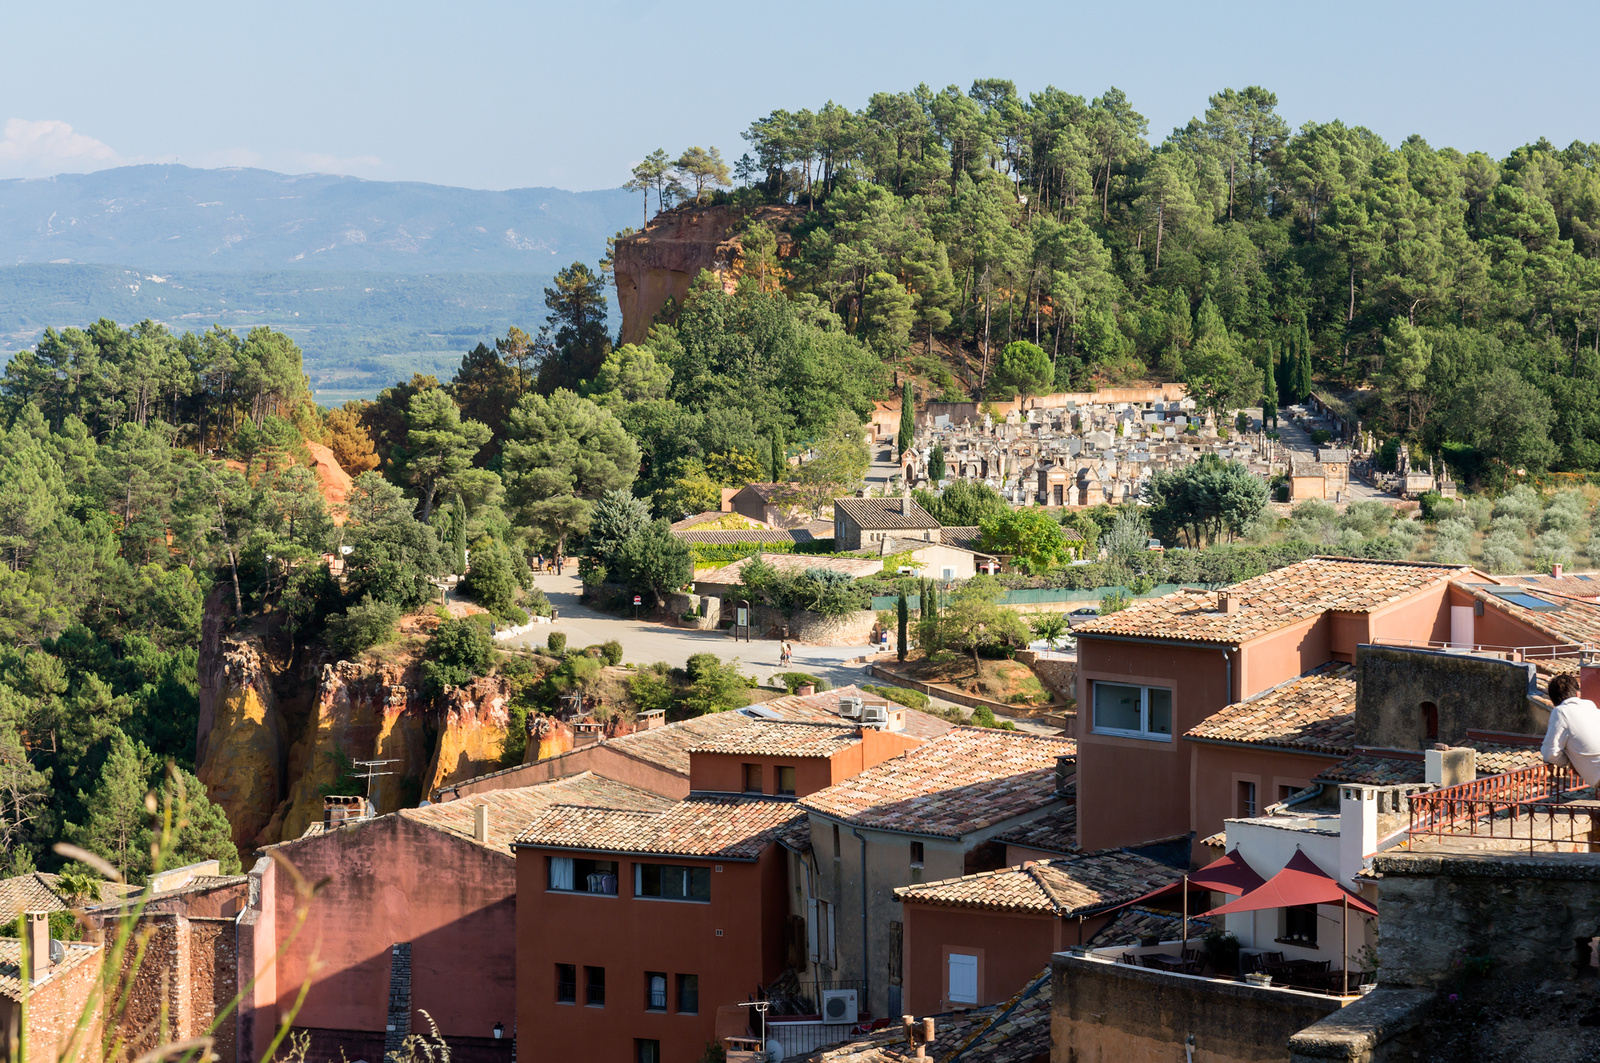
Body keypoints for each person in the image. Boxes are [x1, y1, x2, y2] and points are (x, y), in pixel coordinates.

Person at [1541, 673, 1600, 786]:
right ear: (1577, 694)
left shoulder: (1561, 712)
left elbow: (1550, 753)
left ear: (1553, 701)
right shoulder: (1592, 708)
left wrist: (1568, 762)